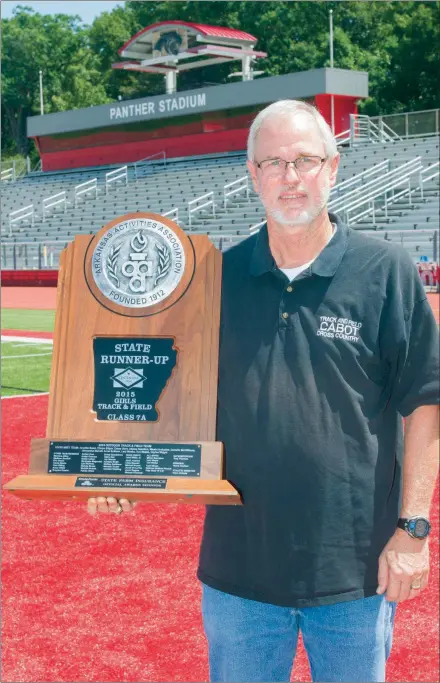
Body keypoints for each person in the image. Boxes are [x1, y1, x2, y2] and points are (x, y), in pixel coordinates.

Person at [88, 100, 439, 683]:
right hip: (240, 571)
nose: (290, 177)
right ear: (252, 175)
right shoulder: (214, 281)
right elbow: (168, 398)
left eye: (304, 159)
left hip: (356, 570)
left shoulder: (386, 272)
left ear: (333, 167)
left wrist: (414, 530)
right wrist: (120, 471)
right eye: (273, 163)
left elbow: (426, 403)